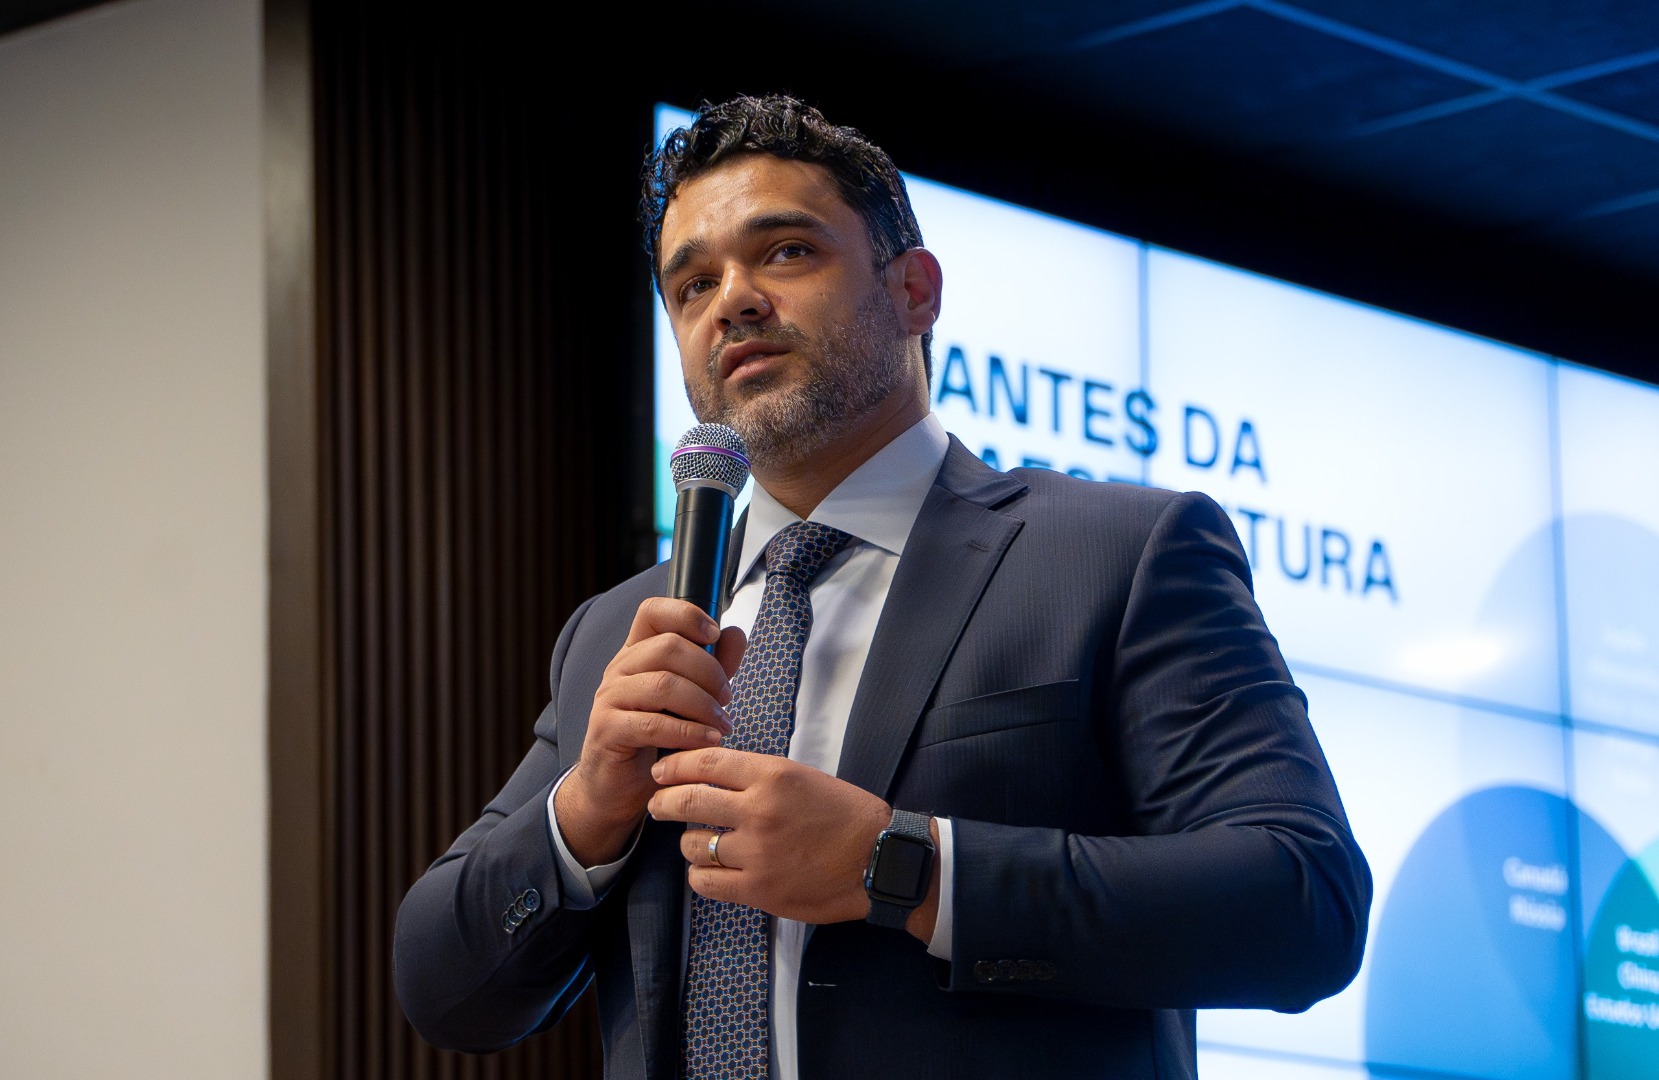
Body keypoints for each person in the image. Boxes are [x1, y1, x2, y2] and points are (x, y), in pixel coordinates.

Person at [394, 94, 1371, 1080]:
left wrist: (900, 865)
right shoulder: (618, 634)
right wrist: (587, 806)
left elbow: (1302, 902)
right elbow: (441, 987)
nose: (731, 301)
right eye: (691, 284)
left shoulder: (1120, 553)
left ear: (913, 291)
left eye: (785, 252)